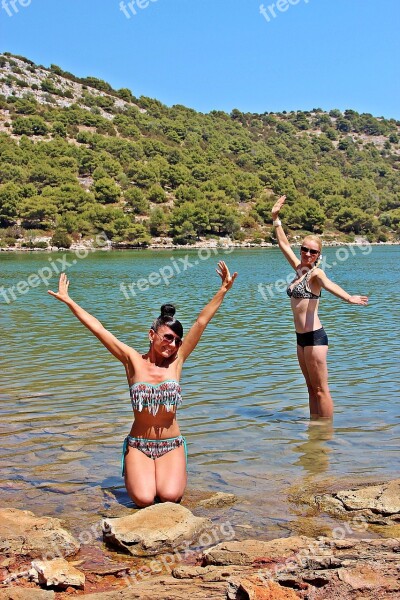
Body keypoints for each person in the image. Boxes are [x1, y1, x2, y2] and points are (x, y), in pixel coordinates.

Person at [48, 261, 237, 507]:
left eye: (177, 341)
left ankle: (170, 471)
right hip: (139, 444)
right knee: (144, 499)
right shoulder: (132, 361)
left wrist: (223, 289)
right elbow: (99, 329)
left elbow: (200, 322)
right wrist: (70, 301)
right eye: (168, 337)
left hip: (171, 444)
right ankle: (140, 469)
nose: (173, 344)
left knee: (170, 497)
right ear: (152, 335)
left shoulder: (177, 362)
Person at [271, 195, 368, 420]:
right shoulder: (298, 270)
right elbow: (284, 244)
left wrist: (348, 298)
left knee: (321, 390)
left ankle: (326, 435)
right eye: (305, 249)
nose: (307, 254)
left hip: (315, 338)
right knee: (310, 389)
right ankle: (315, 433)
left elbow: (329, 284)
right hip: (300, 339)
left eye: (312, 252)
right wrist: (276, 219)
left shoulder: (316, 273)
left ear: (318, 256)